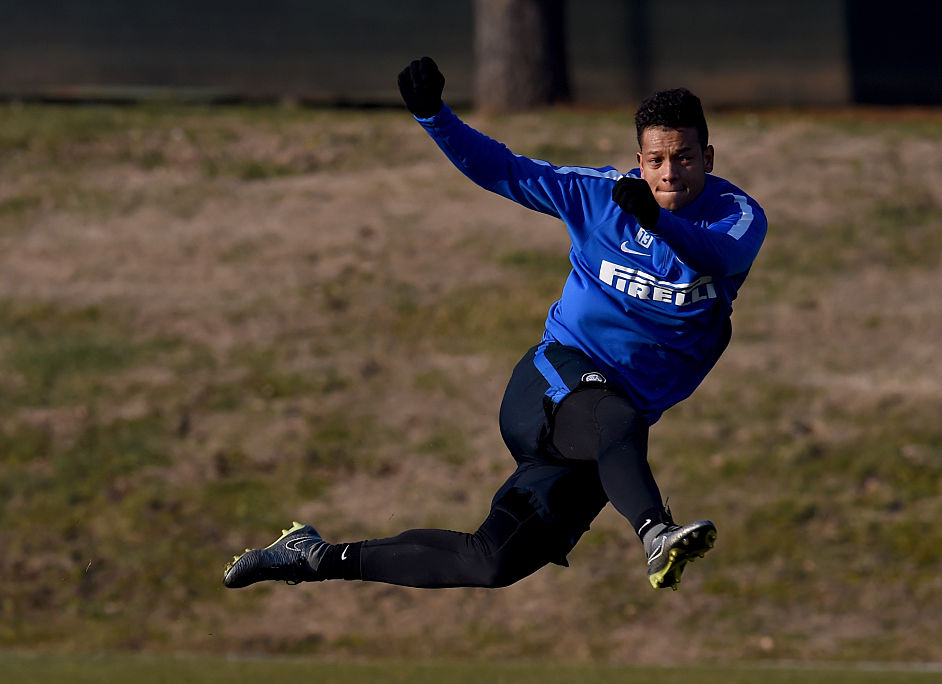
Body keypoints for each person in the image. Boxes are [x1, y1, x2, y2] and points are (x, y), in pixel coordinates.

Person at [223, 57, 767, 592]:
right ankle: (655, 532)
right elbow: (505, 168)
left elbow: (716, 256)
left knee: (491, 562)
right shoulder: (599, 194)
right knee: (619, 420)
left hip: (602, 439)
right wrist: (434, 115)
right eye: (657, 160)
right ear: (639, 161)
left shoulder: (736, 215)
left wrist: (658, 221)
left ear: (709, 157)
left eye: (685, 157)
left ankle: (312, 556)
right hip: (554, 380)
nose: (670, 172)